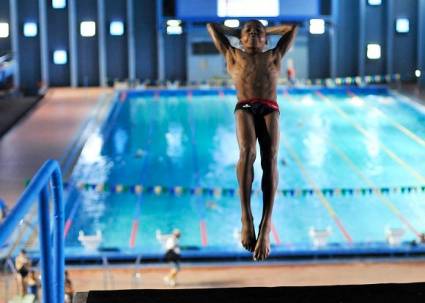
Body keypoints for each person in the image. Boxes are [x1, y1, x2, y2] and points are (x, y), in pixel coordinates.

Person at [207, 20, 298, 261]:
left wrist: (262, 31)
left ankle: (265, 227)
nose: (254, 33)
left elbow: (292, 28)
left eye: (259, 31)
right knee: (247, 153)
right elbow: (212, 26)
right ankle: (246, 217)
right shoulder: (232, 53)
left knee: (270, 161)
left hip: (270, 108)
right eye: (249, 31)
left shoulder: (274, 54)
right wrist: (240, 33)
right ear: (241, 38)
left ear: (266, 38)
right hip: (244, 106)